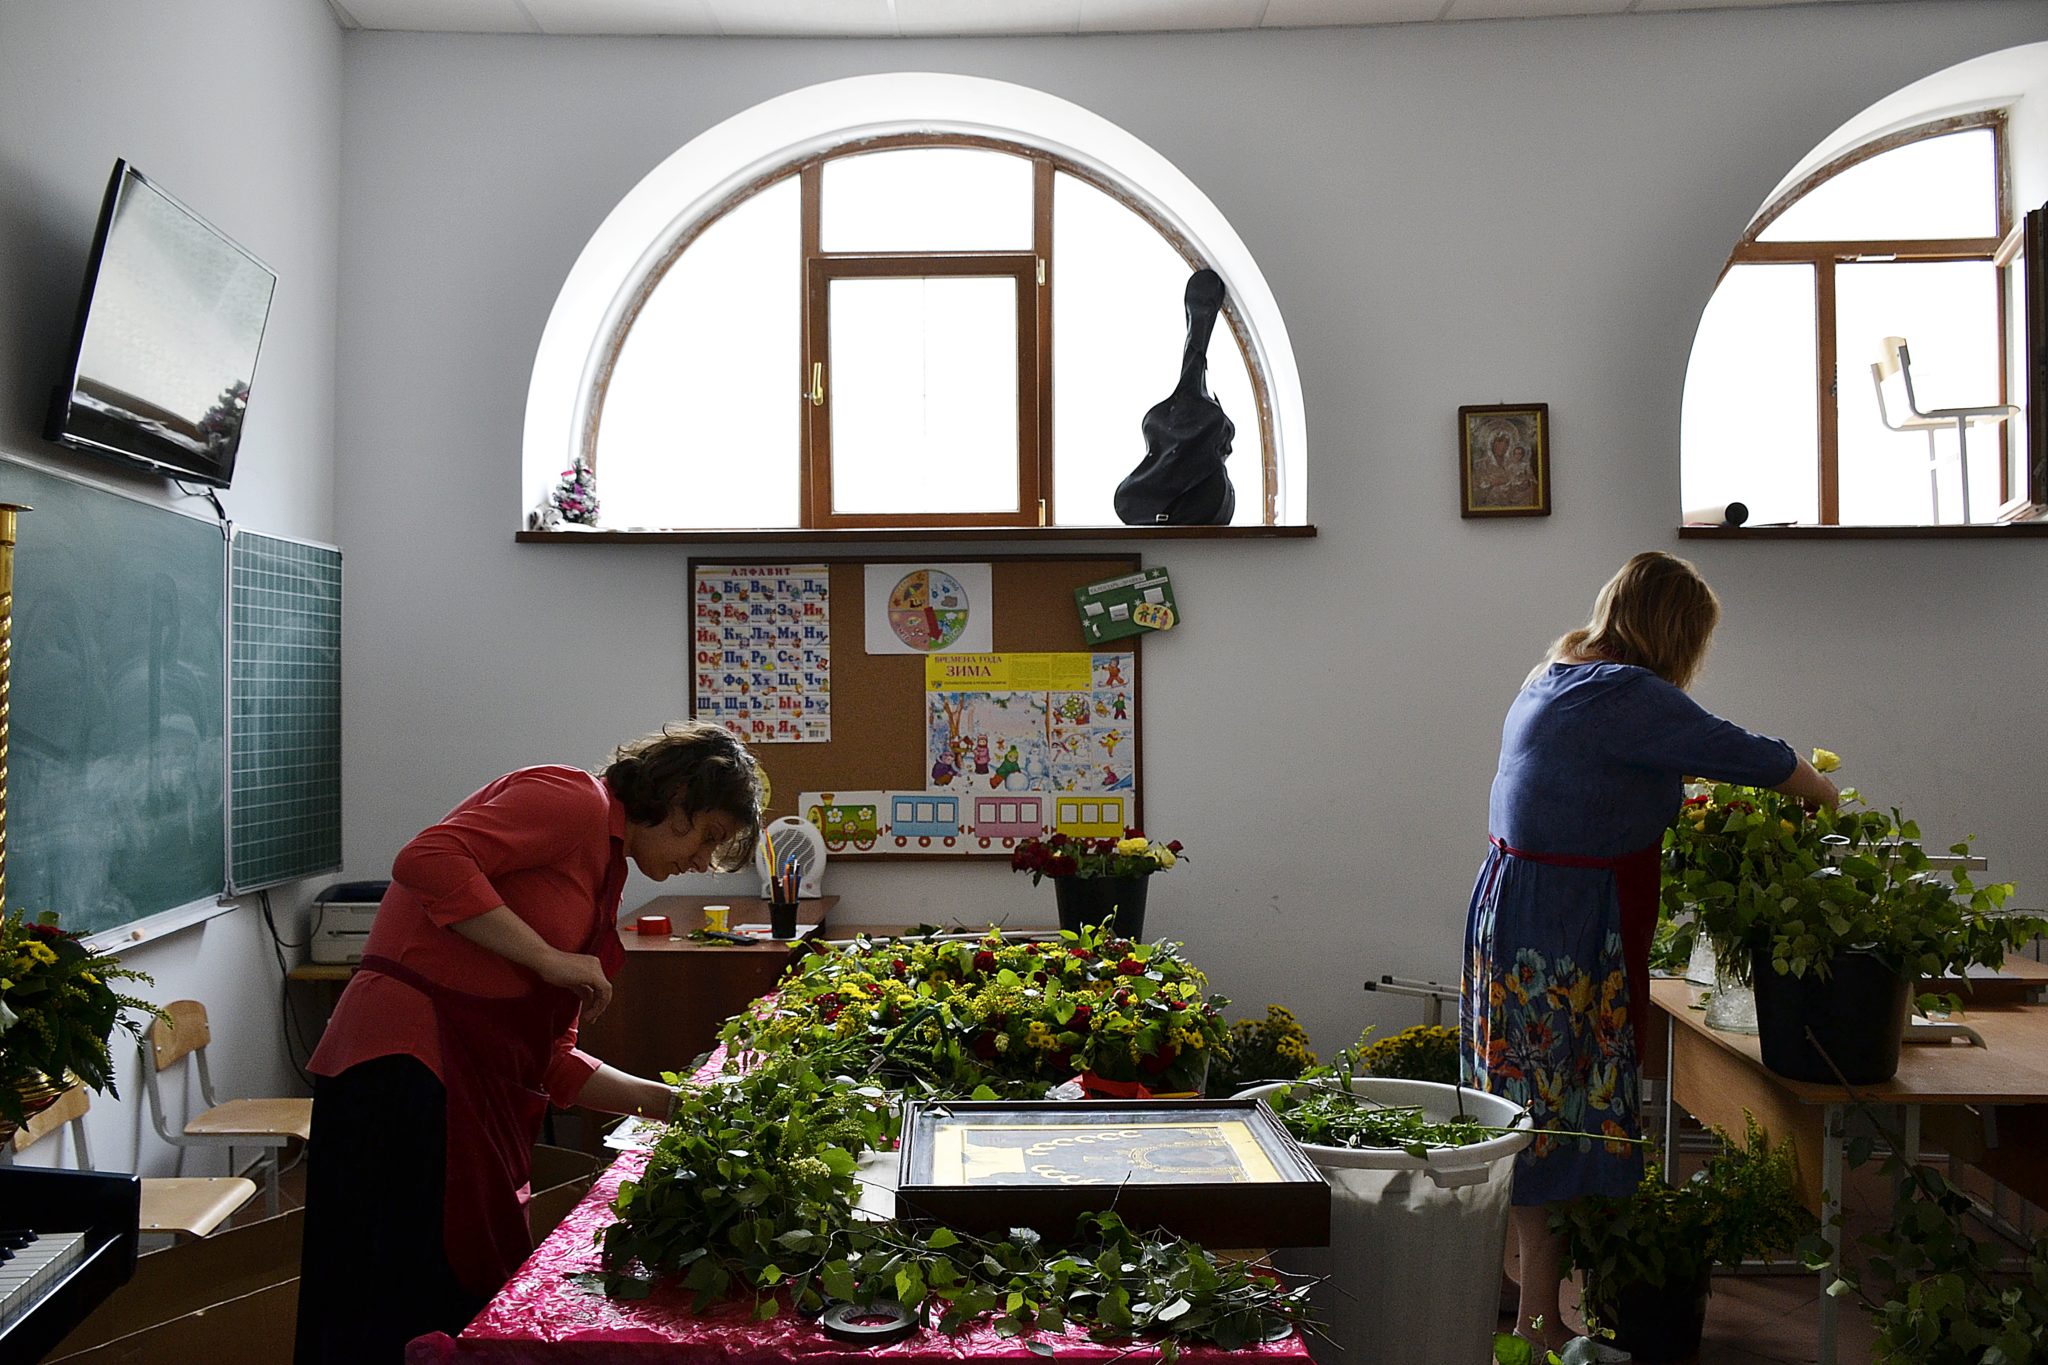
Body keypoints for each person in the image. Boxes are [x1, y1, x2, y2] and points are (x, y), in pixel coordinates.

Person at [1460, 552, 1838, 1352]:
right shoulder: (1629, 693)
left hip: (1514, 909)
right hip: (1562, 927)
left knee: (1521, 1105)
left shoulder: (1555, 673)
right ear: (1677, 632)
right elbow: (1752, 754)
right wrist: (1822, 792)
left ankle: (1513, 1291)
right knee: (1559, 1118)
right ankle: (1537, 1318)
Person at [293, 722, 763, 1363]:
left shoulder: (603, 873)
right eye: (707, 836)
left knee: (453, 1291)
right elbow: (425, 859)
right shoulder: (573, 799)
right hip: (405, 1066)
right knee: (390, 1296)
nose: (703, 862)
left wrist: (676, 1105)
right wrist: (547, 957)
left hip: (466, 1082)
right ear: (677, 795)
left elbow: (553, 1060)